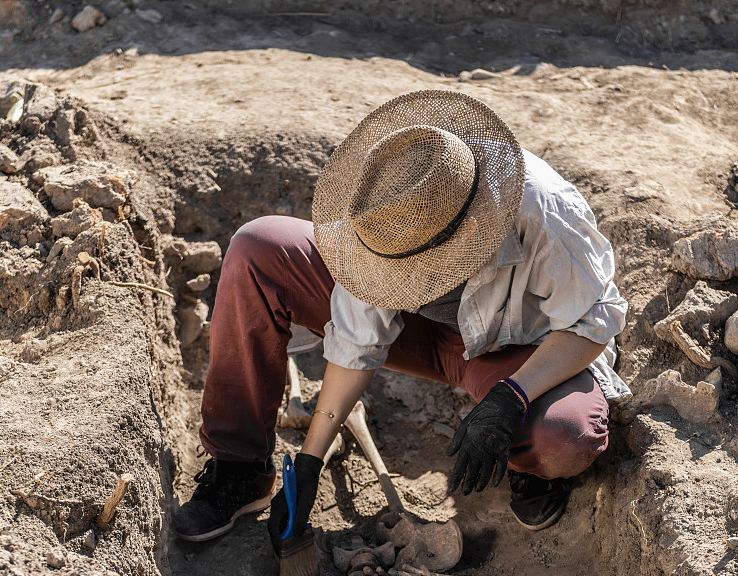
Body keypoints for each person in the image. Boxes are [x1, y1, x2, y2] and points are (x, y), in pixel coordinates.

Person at [174, 89, 629, 548]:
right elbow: (357, 342)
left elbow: (592, 323)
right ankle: (239, 468)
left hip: (521, 350)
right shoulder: (387, 210)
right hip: (420, 338)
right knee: (258, 248)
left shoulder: (545, 213)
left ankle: (527, 461)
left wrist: (511, 399)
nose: (409, 278)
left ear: (470, 231)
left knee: (562, 437)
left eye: (420, 269)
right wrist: (309, 463)